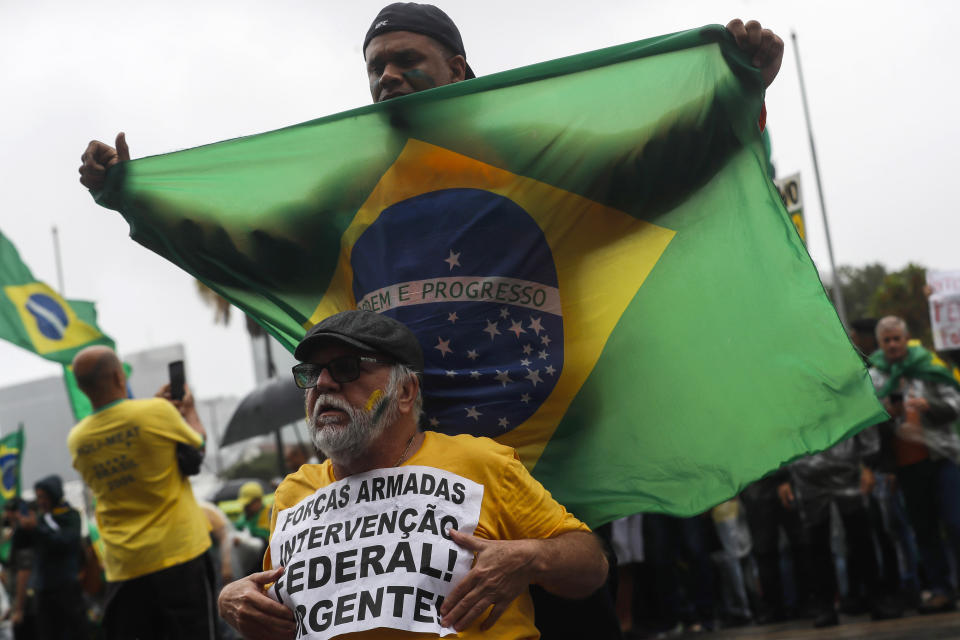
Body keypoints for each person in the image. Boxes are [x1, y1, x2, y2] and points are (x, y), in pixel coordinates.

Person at [218, 309, 609, 639]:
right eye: (311, 373)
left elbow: (591, 566)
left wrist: (532, 558)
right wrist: (232, 600)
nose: (322, 383)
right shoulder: (293, 492)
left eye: (345, 368)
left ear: (405, 392)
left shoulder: (481, 463)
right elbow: (273, 607)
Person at [67, 345, 217, 639]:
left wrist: (153, 410)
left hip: (124, 567)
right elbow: (197, 445)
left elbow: (128, 432)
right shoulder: (157, 412)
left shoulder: (78, 439)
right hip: (179, 555)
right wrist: (188, 411)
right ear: (118, 376)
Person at [869, 315, 960, 613]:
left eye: (897, 338)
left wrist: (929, 407)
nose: (893, 344)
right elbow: (866, 424)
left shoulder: (929, 365)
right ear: (880, 343)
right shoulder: (874, 377)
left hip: (941, 458)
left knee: (955, 523)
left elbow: (955, 403)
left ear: (906, 339)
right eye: (887, 340)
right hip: (905, 467)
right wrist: (886, 412)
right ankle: (940, 590)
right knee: (923, 530)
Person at [17, 475, 87, 640]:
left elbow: (63, 542)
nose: (41, 501)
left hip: (66, 587)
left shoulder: (70, 516)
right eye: (38, 497)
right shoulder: (39, 519)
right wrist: (22, 526)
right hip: (43, 590)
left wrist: (37, 529)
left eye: (44, 497)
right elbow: (21, 545)